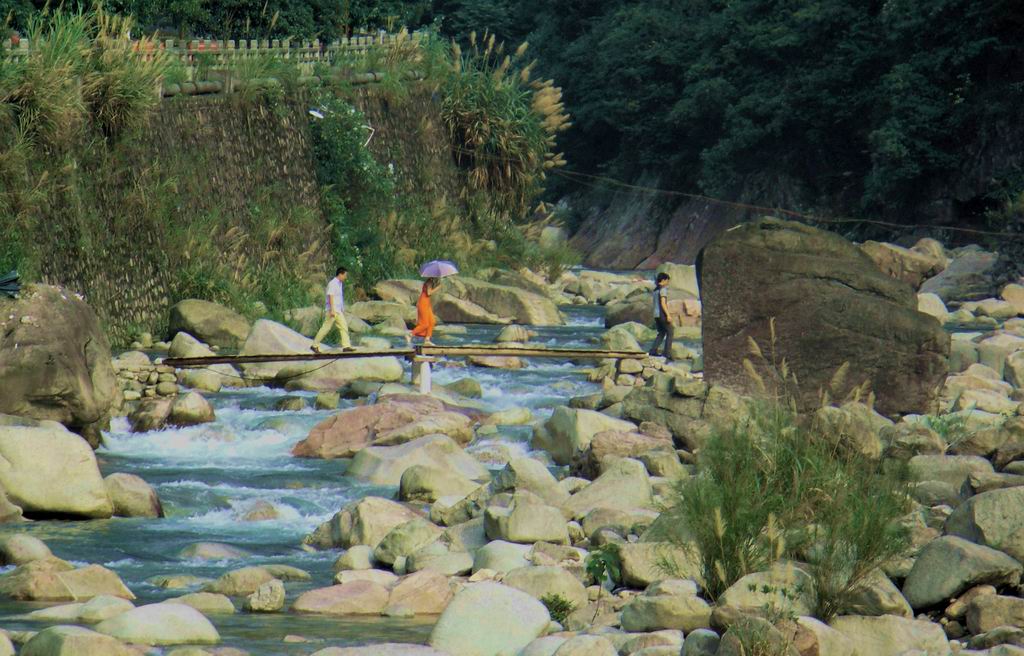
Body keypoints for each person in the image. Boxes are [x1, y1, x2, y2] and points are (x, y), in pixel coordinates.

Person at [311, 267, 355, 354]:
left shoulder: (339, 283)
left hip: (338, 310)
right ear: (340, 274)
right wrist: (332, 310)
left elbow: (339, 297)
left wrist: (342, 309)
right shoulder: (333, 283)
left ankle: (346, 346)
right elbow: (330, 296)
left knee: (343, 326)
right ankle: (314, 345)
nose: (346, 277)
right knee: (326, 327)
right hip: (333, 310)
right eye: (345, 275)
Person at [408, 277, 441, 345]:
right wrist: (438, 288)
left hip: (427, 304)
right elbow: (429, 293)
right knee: (425, 324)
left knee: (432, 321)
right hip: (423, 304)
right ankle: (410, 334)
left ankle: (427, 339)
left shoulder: (431, 282)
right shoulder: (429, 282)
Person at [649, 272, 674, 360]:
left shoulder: (655, 290)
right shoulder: (663, 290)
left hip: (656, 315)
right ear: (663, 280)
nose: (668, 283)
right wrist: (668, 315)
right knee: (670, 331)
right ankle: (667, 353)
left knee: (662, 332)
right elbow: (663, 303)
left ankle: (653, 350)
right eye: (667, 280)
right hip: (662, 314)